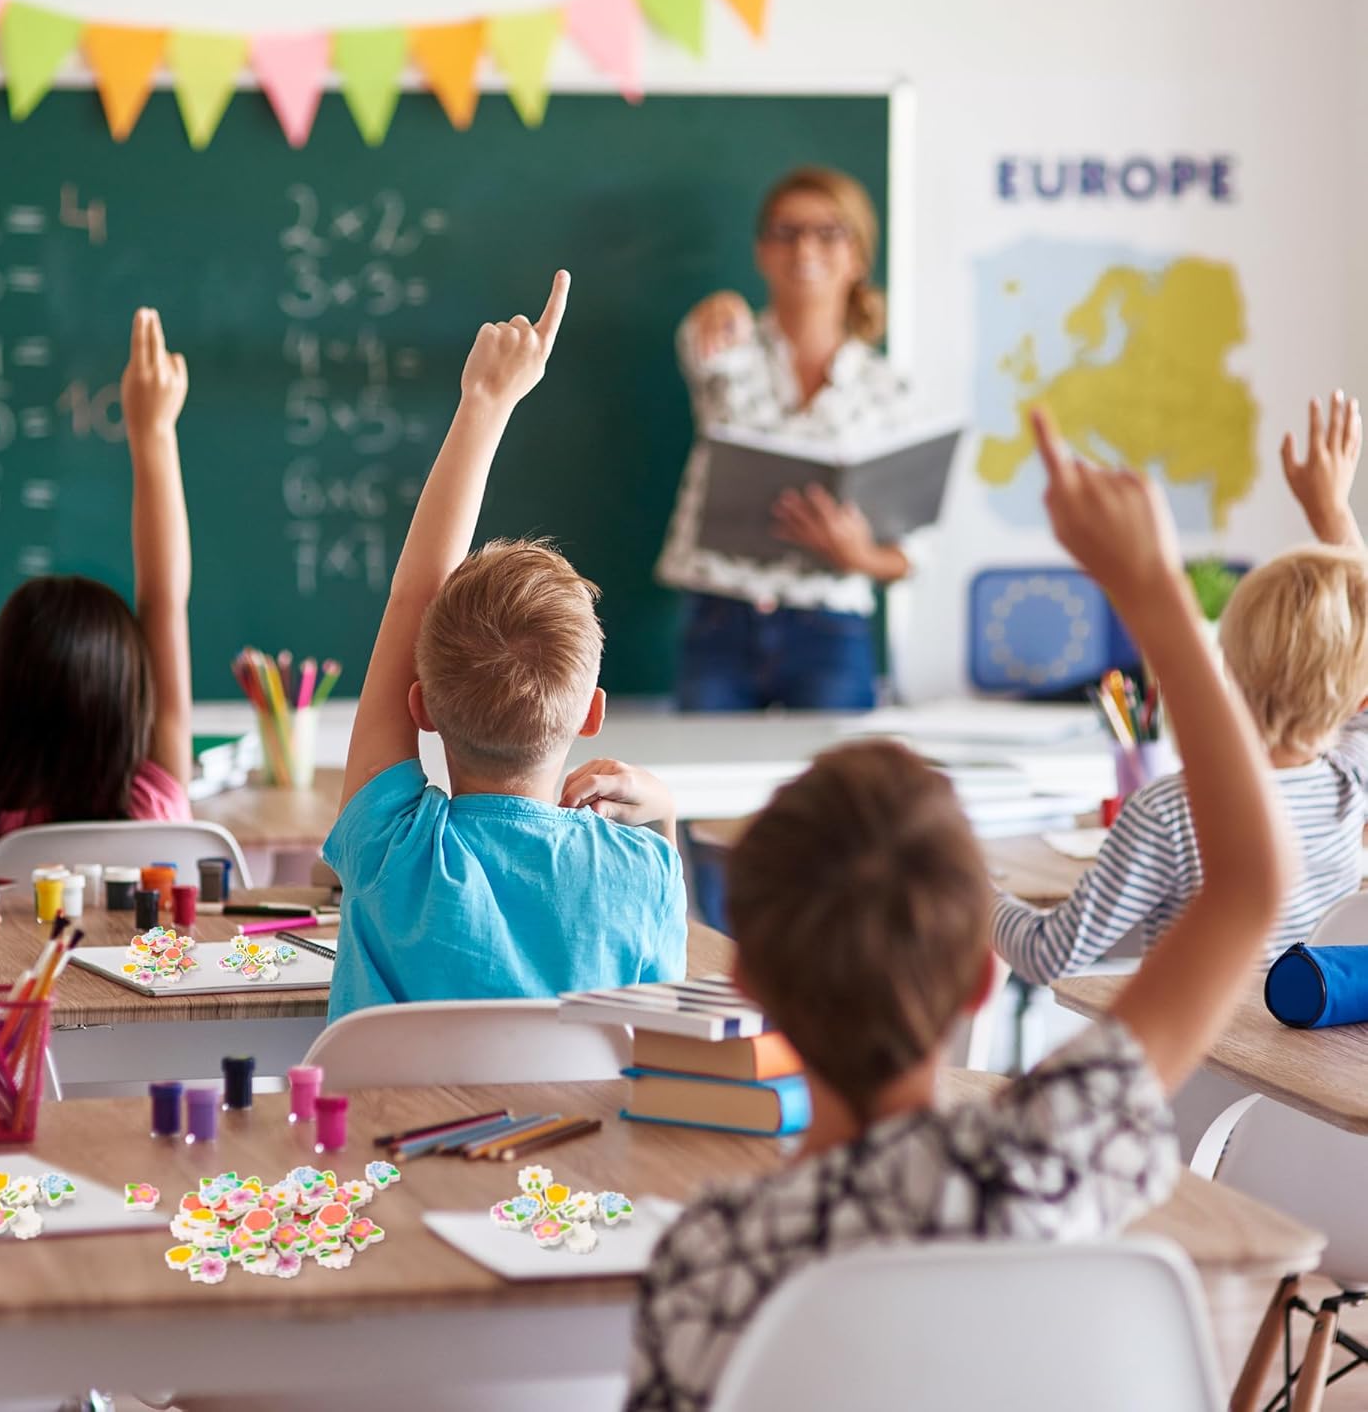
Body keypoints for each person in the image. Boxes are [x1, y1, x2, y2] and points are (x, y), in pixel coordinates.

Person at [625, 410, 1293, 1411]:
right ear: (983, 974)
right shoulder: (1048, 1158)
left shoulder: (712, 1259)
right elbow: (1251, 882)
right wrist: (1153, 590)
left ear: (748, 984)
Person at [323, 271, 687, 1018]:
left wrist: (484, 403)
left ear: (421, 707)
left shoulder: (393, 853)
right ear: (591, 712)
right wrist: (664, 819)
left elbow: (411, 597)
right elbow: (658, 1032)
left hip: (387, 1105)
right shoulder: (641, 873)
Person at [994, 391, 1368, 984]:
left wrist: (976, 891)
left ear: (1227, 664)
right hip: (1299, 1044)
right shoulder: (1350, 782)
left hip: (1191, 1040)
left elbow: (1048, 954)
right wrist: (1333, 511)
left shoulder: (1170, 811)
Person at [0, 309, 193, 865]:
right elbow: (163, 601)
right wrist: (154, 432)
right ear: (131, 703)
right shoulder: (157, 810)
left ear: (4, 702)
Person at [656, 165, 926, 713]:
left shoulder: (887, 388)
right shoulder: (727, 344)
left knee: (838, 772)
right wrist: (717, 308)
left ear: (858, 255)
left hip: (830, 628)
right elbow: (698, 343)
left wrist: (859, 555)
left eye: (828, 232)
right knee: (705, 768)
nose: (805, 248)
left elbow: (911, 555)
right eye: (787, 232)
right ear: (762, 251)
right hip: (720, 616)